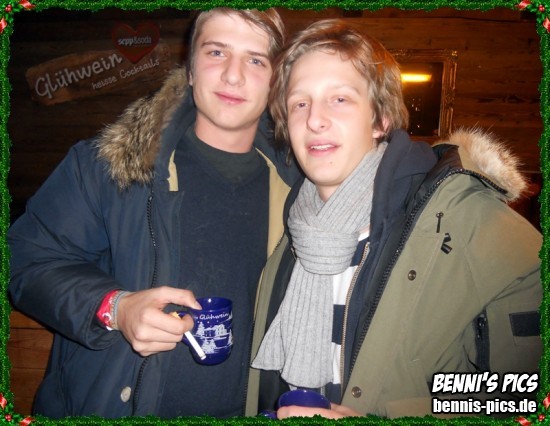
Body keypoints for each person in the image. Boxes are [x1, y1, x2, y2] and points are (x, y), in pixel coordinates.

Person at [8, 7, 301, 419]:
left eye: (255, 60)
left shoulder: (299, 190)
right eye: (216, 52)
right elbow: (25, 260)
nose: (233, 75)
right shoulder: (109, 166)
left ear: (275, 80)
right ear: (191, 69)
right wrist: (115, 308)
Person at [247, 19, 542, 419]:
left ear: (381, 120)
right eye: (300, 103)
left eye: (340, 99)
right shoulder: (293, 228)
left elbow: (524, 394)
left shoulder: (469, 220)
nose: (314, 119)